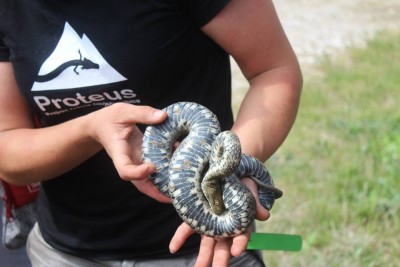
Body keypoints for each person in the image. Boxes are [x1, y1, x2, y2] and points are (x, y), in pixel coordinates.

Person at [0, 0, 302, 266]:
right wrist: (91, 130)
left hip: (201, 252)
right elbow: (7, 143)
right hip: (64, 252)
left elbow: (274, 70)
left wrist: (231, 172)